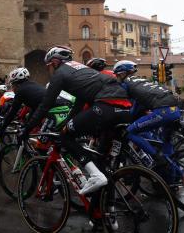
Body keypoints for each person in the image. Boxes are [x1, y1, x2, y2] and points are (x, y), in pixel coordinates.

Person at [22, 46, 132, 195]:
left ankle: (94, 175)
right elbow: (78, 106)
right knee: (102, 164)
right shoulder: (82, 71)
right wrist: (63, 124)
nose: (50, 70)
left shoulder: (60, 74)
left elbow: (44, 106)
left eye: (49, 66)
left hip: (106, 105)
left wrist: (27, 129)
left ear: (54, 62)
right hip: (125, 110)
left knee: (65, 136)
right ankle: (106, 212)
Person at [113, 60, 181, 183]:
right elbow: (139, 106)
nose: (117, 78)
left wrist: (128, 121)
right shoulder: (142, 82)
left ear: (122, 73)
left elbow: (130, 107)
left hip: (163, 111)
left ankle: (156, 157)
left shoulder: (125, 84)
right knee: (166, 146)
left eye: (117, 75)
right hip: (175, 110)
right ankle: (175, 178)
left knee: (129, 132)